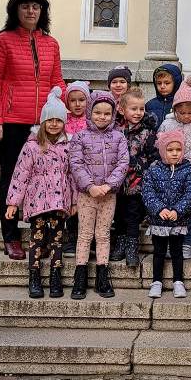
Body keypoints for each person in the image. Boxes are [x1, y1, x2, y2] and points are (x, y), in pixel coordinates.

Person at [0, 0, 65, 260]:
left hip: (44, 124)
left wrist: (66, 102)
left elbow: (57, 80)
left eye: (36, 7)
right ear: (15, 10)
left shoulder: (51, 43)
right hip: (11, 123)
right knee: (11, 179)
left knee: (42, 179)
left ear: (42, 12)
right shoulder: (2, 41)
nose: (31, 11)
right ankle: (11, 237)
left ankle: (39, 234)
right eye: (25, 6)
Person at [6, 87, 75, 299]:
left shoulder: (69, 146)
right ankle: (34, 275)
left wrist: (74, 201)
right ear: (43, 122)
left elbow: (73, 175)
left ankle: (55, 275)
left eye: (58, 120)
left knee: (57, 240)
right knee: (37, 239)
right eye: (50, 120)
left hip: (59, 201)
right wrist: (13, 202)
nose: (54, 124)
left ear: (64, 122)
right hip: (37, 201)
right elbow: (20, 174)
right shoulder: (32, 146)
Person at [69, 91, 129, 300]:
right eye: (97, 113)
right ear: (90, 112)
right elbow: (76, 163)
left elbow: (123, 163)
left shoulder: (119, 137)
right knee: (85, 235)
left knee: (103, 234)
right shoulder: (80, 136)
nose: (102, 117)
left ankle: (102, 276)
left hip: (108, 195)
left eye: (106, 113)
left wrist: (109, 185)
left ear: (112, 115)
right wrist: (90, 186)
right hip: (87, 195)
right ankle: (80, 276)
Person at [157, 76, 191, 258]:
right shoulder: (167, 124)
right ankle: (169, 243)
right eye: (182, 113)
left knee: (187, 210)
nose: (186, 116)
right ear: (175, 110)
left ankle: (187, 243)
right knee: (169, 209)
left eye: (190, 112)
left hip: (190, 177)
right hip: (169, 176)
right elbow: (160, 147)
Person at [142, 130, 191, 299]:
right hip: (159, 221)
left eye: (178, 150)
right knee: (159, 252)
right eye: (170, 150)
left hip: (177, 221)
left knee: (176, 252)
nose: (175, 153)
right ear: (162, 151)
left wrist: (177, 211)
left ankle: (178, 281)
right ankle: (156, 282)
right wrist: (159, 209)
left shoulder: (187, 169)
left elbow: (190, 193)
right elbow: (148, 192)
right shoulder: (154, 169)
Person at [110, 87, 157, 267]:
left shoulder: (147, 132)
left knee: (132, 216)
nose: (138, 112)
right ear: (122, 110)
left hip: (136, 183)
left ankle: (131, 247)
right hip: (117, 183)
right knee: (119, 215)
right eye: (133, 109)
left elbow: (153, 157)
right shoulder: (115, 130)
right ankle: (120, 244)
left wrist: (144, 173)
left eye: (141, 109)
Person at [62, 81, 91, 256]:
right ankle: (72, 239)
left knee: (87, 207)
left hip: (88, 173)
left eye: (81, 100)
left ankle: (88, 239)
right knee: (71, 206)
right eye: (73, 100)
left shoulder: (91, 121)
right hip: (69, 173)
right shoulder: (63, 121)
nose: (77, 104)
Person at [145, 64, 183, 130]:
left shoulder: (181, 104)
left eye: (167, 83)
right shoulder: (150, 105)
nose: (162, 86)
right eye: (159, 83)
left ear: (176, 83)